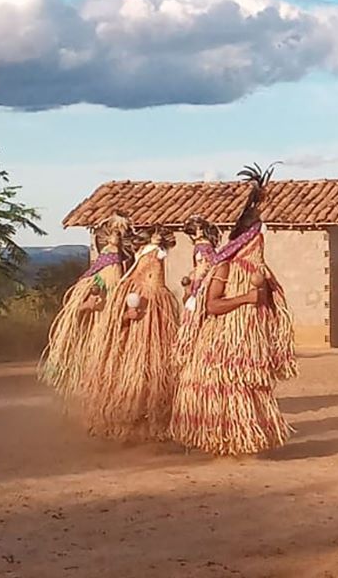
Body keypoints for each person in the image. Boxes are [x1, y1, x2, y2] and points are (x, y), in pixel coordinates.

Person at [171, 162, 296, 456]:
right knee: (222, 391)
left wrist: (263, 294)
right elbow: (213, 305)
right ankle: (220, 444)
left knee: (245, 392)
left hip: (247, 347)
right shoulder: (225, 265)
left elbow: (265, 302)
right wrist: (246, 299)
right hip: (221, 344)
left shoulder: (259, 269)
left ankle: (241, 443)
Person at [82, 225, 181, 442]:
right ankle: (124, 422)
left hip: (149, 337)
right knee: (134, 381)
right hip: (126, 349)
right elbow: (111, 323)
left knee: (155, 375)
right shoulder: (120, 278)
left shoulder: (144, 282)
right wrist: (126, 317)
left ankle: (155, 423)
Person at [38, 213, 131, 398]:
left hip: (116, 346)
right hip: (94, 345)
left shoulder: (125, 282)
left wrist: (127, 316)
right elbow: (71, 313)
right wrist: (88, 305)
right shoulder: (89, 284)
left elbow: (122, 315)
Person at [175, 215, 221, 367]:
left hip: (202, 278)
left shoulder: (202, 246)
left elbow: (208, 263)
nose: (197, 233)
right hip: (201, 278)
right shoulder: (203, 246)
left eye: (198, 229)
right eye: (194, 230)